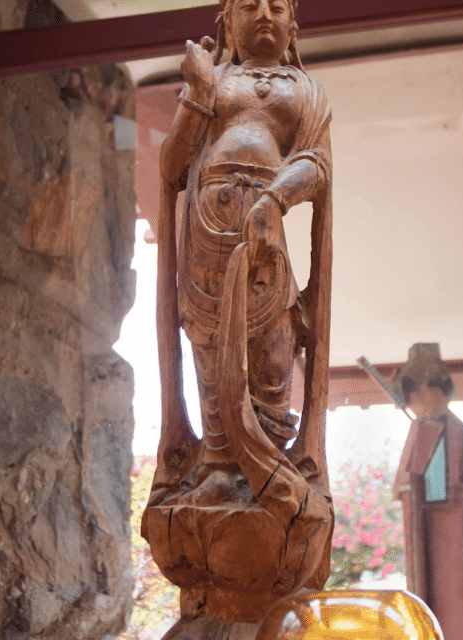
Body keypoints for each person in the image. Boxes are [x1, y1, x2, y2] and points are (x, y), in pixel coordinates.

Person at [141, 0, 336, 625]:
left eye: (278, 5)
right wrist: (198, 93)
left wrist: (277, 196)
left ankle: (268, 467)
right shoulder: (214, 82)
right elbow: (172, 168)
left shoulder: (305, 89)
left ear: (294, 26)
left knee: (273, 352)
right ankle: (221, 466)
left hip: (264, 230)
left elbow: (317, 164)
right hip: (206, 228)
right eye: (249, 5)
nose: (264, 15)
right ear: (226, 23)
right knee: (206, 351)